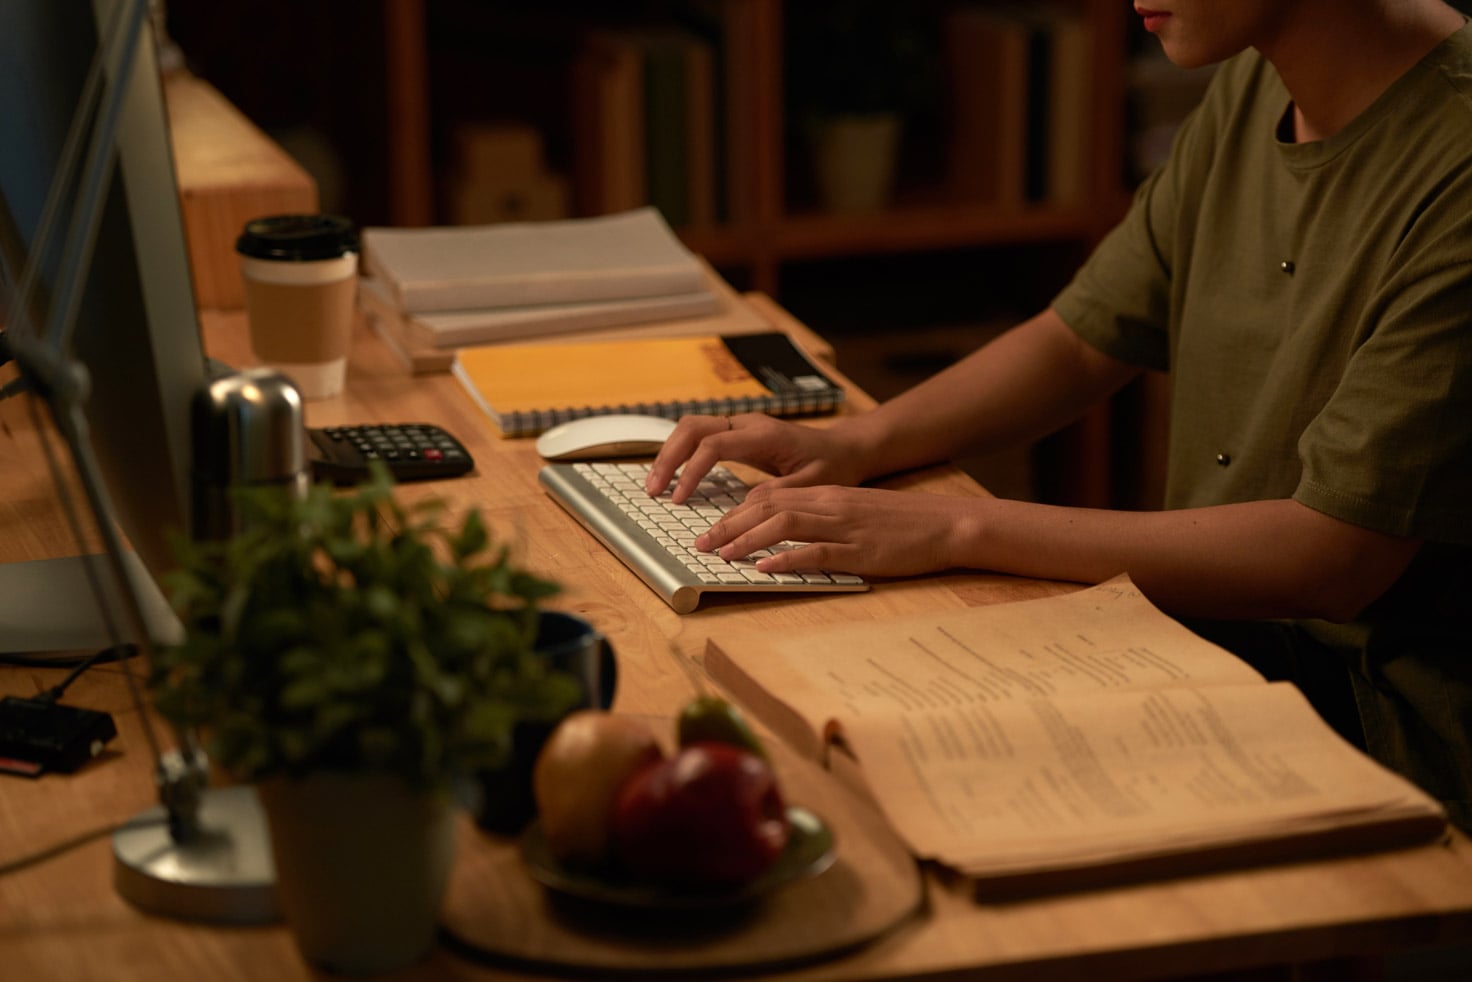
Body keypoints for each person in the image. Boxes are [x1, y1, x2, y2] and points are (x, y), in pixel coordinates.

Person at [646, 1, 1472, 827]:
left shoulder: (1457, 158)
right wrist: (856, 442)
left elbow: (1332, 559)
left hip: (1381, 720)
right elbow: (1083, 339)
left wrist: (955, 529)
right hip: (1211, 636)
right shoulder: (1258, 79)